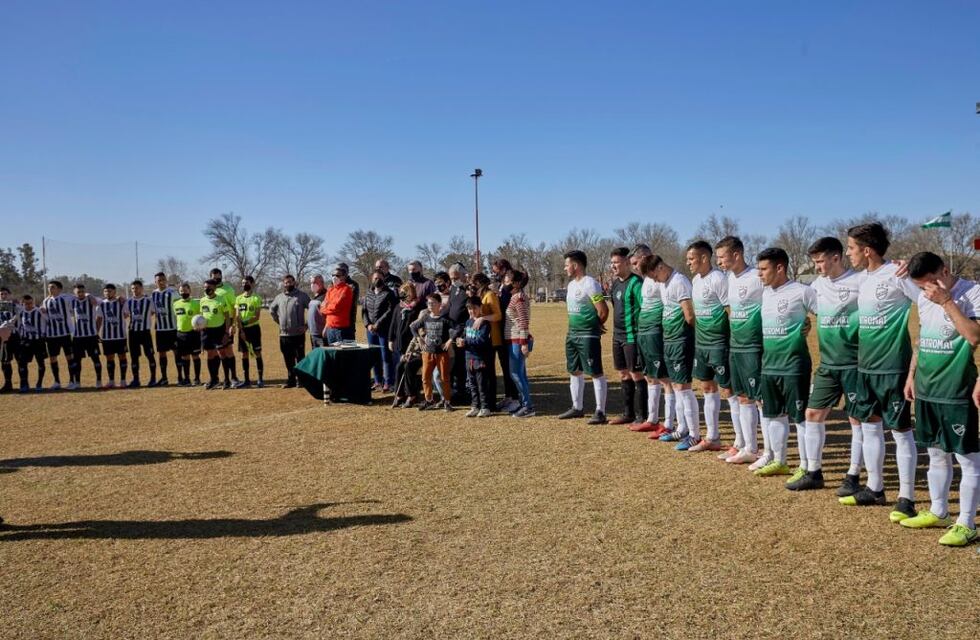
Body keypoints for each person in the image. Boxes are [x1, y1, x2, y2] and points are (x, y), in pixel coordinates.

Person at [839, 222, 921, 524]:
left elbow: (926, 301)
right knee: (870, 425)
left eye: (851, 248)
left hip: (893, 368)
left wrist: (907, 266)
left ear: (867, 250)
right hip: (865, 367)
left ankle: (907, 498)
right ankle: (875, 488)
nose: (848, 254)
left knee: (901, 431)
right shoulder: (862, 279)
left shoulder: (897, 275)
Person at [901, 251, 980, 546]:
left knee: (967, 457)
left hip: (958, 389)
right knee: (935, 452)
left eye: (932, 283)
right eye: (922, 287)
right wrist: (912, 374)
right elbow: (922, 337)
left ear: (945, 271)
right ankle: (939, 510)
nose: (928, 291)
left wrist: (946, 301)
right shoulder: (923, 297)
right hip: (928, 388)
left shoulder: (973, 293)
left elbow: (974, 337)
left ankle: (967, 523)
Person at [801, 237, 866, 491]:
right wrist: (805, 324)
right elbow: (814, 312)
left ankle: (853, 475)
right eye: (815, 262)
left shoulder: (860, 282)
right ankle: (814, 472)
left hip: (854, 363)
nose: (817, 267)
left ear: (836, 258)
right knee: (813, 414)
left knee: (856, 420)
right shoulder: (817, 285)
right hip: (828, 363)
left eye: (820, 261)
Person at [753, 248, 817, 480]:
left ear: (780, 268)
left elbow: (826, 315)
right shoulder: (765, 293)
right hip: (769, 365)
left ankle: (805, 465)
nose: (759, 274)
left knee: (799, 417)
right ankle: (780, 461)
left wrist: (807, 324)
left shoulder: (803, 292)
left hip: (794, 365)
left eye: (763, 269)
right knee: (773, 415)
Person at [714, 236, 765, 465]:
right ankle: (747, 446)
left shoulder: (757, 277)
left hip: (755, 347)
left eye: (722, 257)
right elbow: (731, 312)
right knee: (742, 396)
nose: (719, 262)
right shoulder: (729, 279)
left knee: (760, 399)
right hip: (736, 346)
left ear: (736, 255)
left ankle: (768, 450)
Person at [644, 254, 700, 448]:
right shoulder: (663, 284)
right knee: (676, 387)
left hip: (681, 340)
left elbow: (690, 315)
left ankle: (695, 434)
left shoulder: (680, 281)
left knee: (683, 387)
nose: (654, 281)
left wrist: (689, 337)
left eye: (653, 276)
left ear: (660, 267)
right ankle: (682, 428)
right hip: (669, 340)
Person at [628, 245, 679, 437]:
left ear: (646, 257)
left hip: (657, 332)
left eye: (635, 263)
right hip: (644, 333)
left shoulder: (661, 279)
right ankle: (652, 419)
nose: (634, 268)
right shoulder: (645, 280)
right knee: (650, 376)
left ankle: (669, 422)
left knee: (665, 378)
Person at [686, 240, 731, 452]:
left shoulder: (719, 279)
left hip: (720, 343)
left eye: (691, 258)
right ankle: (712, 437)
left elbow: (730, 311)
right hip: (701, 344)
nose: (688, 263)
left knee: (728, 389)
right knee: (706, 387)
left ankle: (741, 443)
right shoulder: (695, 280)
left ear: (705, 258)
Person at [557, 250, 609, 424]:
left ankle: (600, 411)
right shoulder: (571, 285)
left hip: (587, 336)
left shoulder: (591, 284)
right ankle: (577, 407)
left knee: (595, 372)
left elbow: (603, 310)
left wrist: (595, 327)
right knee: (574, 370)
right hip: (572, 334)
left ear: (576, 265)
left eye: (567, 264)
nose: (565, 268)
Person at [608, 247, 645, 426]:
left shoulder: (637, 283)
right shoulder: (615, 284)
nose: (613, 266)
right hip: (617, 336)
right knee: (623, 374)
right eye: (612, 262)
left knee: (636, 374)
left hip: (632, 336)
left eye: (616, 262)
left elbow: (644, 308)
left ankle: (642, 415)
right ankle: (627, 413)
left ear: (625, 263)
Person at [410, 292, 455, 412]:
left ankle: (447, 402)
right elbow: (412, 327)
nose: (430, 305)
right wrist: (419, 338)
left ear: (439, 304)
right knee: (425, 378)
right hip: (427, 353)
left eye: (433, 303)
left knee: (444, 378)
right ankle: (429, 400)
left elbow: (458, 328)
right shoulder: (425, 317)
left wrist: (450, 340)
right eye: (428, 303)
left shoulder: (445, 319)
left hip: (442, 353)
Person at [269, 274, 311, 388]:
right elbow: (272, 310)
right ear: (283, 284)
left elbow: (312, 310)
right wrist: (280, 322)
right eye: (286, 282)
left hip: (298, 334)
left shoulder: (302, 296)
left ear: (294, 282)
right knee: (288, 358)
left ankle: (301, 381)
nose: (288, 284)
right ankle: (291, 380)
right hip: (284, 335)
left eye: (290, 282)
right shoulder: (279, 297)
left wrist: (306, 326)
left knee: (300, 358)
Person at [504, 269, 534, 417]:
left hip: (518, 339)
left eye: (508, 278)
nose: (505, 281)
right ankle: (524, 404)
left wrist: (523, 343)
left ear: (515, 282)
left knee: (516, 373)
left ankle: (528, 406)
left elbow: (523, 321)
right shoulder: (515, 296)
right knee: (520, 374)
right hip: (514, 339)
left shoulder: (519, 298)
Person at [389, 282, 424, 407]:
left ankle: (412, 395)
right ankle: (399, 395)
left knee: (409, 367)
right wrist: (390, 339)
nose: (403, 294)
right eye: (401, 292)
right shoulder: (399, 307)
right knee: (399, 366)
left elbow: (418, 330)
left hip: (415, 346)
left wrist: (414, 348)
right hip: (402, 344)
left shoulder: (418, 307)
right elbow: (393, 324)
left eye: (406, 292)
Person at [363, 269, 398, 391]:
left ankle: (388, 382)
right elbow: (364, 311)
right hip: (370, 331)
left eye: (379, 278)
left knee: (386, 357)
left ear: (384, 279)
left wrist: (377, 323)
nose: (377, 280)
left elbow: (390, 311)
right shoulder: (368, 293)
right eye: (375, 278)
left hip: (384, 330)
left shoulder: (389, 293)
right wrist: (368, 325)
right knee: (374, 356)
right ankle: (378, 381)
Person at [459, 295, 493, 417]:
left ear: (480, 308)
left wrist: (466, 342)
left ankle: (485, 407)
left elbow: (482, 341)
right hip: (469, 358)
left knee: (481, 384)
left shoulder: (484, 324)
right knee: (472, 384)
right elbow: (465, 336)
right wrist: (461, 340)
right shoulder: (468, 322)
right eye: (469, 308)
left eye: (474, 308)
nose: (471, 311)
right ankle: (475, 406)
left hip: (480, 359)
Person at [40, 280, 76, 390]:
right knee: (53, 358)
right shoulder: (46, 301)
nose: (50, 289)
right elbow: (45, 317)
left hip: (64, 334)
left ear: (59, 289)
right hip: (51, 335)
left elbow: (79, 295)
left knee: (69, 357)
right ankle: (57, 381)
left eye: (53, 287)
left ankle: (72, 381)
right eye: (49, 287)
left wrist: (88, 295)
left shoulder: (66, 298)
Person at [199, 279, 236, 389]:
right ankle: (213, 379)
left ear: (214, 288)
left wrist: (226, 332)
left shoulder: (221, 299)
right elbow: (202, 316)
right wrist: (199, 326)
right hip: (207, 332)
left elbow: (227, 316)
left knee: (222, 353)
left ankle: (227, 380)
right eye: (205, 287)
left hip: (219, 330)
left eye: (209, 287)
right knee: (210, 354)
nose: (206, 289)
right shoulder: (202, 300)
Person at [124, 279, 157, 388]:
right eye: (133, 288)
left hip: (145, 332)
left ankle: (153, 379)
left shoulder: (149, 301)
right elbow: (125, 315)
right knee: (134, 357)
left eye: (137, 288)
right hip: (133, 333)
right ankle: (136, 379)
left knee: (150, 355)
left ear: (141, 288)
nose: (135, 290)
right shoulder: (128, 302)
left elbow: (153, 312)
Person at [446, 263, 471, 403]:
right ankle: (456, 390)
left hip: (463, 331)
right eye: (451, 278)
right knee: (455, 365)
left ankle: (463, 392)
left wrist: (459, 332)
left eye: (456, 277)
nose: (453, 280)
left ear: (463, 275)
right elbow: (449, 307)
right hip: (452, 330)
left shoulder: (467, 289)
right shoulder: (453, 289)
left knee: (462, 365)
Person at [70, 283, 102, 389]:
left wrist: (89, 295)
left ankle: (98, 381)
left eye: (82, 291)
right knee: (77, 360)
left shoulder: (90, 299)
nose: (81, 293)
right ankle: (77, 382)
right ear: (74, 293)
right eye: (78, 292)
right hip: (78, 337)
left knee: (95, 359)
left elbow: (99, 302)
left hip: (91, 336)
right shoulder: (72, 301)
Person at [96, 284, 127, 389]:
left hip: (120, 336)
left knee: (122, 357)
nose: (107, 293)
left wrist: (123, 299)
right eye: (105, 291)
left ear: (114, 292)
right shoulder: (101, 305)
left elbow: (127, 314)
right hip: (107, 337)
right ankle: (111, 381)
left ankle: (123, 380)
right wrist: (96, 332)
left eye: (109, 291)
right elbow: (99, 319)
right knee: (109, 358)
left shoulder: (121, 303)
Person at [235, 275, 264, 388]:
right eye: (242, 283)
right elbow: (237, 315)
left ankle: (260, 379)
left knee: (257, 353)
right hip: (242, 330)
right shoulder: (238, 298)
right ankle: (246, 380)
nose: (244, 285)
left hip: (254, 330)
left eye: (246, 283)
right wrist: (241, 330)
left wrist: (245, 323)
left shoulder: (256, 298)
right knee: (244, 354)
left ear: (252, 284)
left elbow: (256, 317)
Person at [171, 282, 202, 386]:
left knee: (195, 356)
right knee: (184, 357)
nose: (183, 292)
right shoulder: (176, 304)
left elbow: (201, 318)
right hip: (181, 334)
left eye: (185, 290)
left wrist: (199, 327)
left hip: (193, 333)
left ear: (189, 290)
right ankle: (187, 379)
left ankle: (197, 379)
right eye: (181, 291)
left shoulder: (196, 303)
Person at [151, 272, 178, 386]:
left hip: (173, 328)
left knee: (177, 353)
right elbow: (152, 310)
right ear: (155, 282)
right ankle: (164, 377)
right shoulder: (153, 294)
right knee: (161, 353)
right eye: (158, 280)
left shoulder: (172, 292)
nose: (161, 282)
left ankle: (180, 377)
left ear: (166, 280)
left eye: (163, 279)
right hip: (161, 329)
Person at [15, 294, 46, 392]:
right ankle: (24, 384)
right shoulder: (20, 313)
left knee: (40, 363)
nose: (29, 305)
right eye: (26, 304)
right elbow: (17, 325)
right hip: (26, 341)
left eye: (30, 303)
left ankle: (39, 383)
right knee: (22, 363)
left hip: (38, 341)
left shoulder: (39, 311)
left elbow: (48, 321)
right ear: (22, 304)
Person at [321, 266, 355, 344]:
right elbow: (322, 308)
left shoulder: (347, 289)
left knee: (342, 355)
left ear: (344, 277)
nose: (334, 277)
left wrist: (327, 307)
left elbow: (336, 306)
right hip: (330, 329)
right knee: (332, 355)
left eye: (337, 275)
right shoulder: (330, 290)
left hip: (341, 329)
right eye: (333, 275)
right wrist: (326, 327)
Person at [0, 287, 21, 392]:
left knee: (20, 359)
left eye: (5, 294)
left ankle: (24, 383)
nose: (3, 296)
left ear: (10, 294)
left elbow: (19, 316)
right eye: (1, 294)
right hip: (3, 337)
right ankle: (8, 384)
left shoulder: (15, 305)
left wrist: (9, 323)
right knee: (5, 361)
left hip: (14, 336)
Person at [337, 262, 360, 340]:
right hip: (335, 323)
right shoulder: (334, 284)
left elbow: (348, 303)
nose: (337, 274)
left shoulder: (353, 285)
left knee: (349, 348)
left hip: (348, 322)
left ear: (346, 272)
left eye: (340, 271)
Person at [307, 274, 327, 348]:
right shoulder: (314, 297)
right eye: (311, 283)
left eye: (315, 282)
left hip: (322, 335)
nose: (313, 285)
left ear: (322, 283)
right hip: (313, 335)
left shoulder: (326, 296)